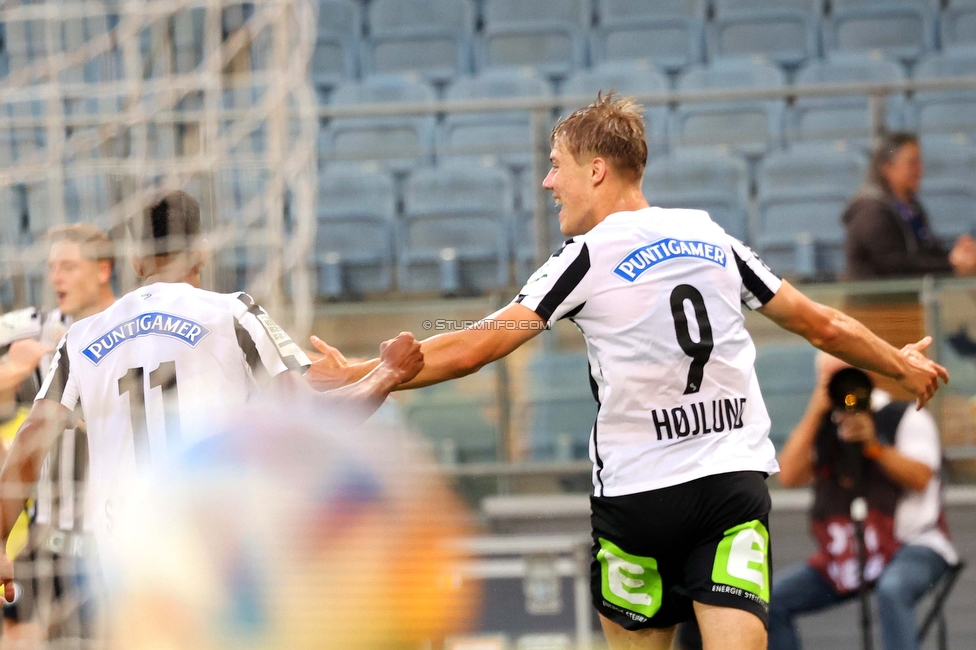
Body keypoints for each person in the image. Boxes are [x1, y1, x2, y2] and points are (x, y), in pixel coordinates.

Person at [319, 93, 949, 650]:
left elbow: (478, 345)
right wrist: (901, 362)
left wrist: (361, 371)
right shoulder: (711, 237)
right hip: (729, 481)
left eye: (555, 165)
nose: (547, 182)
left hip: (639, 498)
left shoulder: (585, 257)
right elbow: (823, 326)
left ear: (595, 170)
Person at [0, 190, 425, 605]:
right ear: (202, 251)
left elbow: (31, 440)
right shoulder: (231, 312)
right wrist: (388, 373)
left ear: (134, 259)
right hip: (217, 548)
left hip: (126, 559)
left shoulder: (81, 337)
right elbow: (308, 421)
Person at [769, 354, 958, 650]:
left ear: (865, 374)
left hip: (913, 543)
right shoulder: (823, 425)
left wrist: (875, 447)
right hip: (848, 551)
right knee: (772, 600)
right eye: (829, 379)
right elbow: (789, 475)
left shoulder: (904, 414)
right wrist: (815, 412)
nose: (840, 386)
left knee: (893, 589)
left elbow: (921, 478)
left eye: (845, 375)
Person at [0, 223, 117, 641]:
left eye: (69, 266)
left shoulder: (136, 327)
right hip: (45, 542)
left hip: (113, 543)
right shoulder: (33, 327)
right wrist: (9, 372)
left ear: (103, 270)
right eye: (52, 268)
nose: (57, 278)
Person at [843, 131, 976, 280]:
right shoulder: (870, 212)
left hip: (908, 301)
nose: (920, 170)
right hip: (873, 302)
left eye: (919, 163)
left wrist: (958, 255)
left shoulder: (912, 208)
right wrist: (951, 264)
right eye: (912, 163)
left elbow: (927, 252)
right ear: (888, 168)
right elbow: (895, 265)